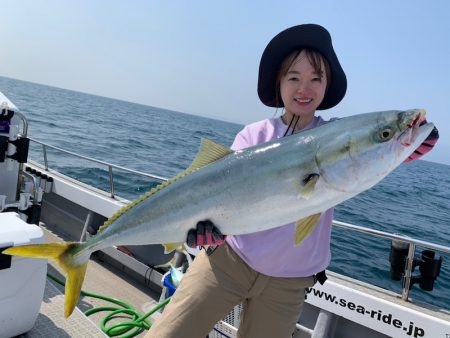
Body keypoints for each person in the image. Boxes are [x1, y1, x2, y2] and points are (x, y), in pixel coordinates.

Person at [146, 24, 438, 338]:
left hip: (289, 284)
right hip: (227, 264)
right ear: (279, 83)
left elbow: (410, 139)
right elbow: (222, 200)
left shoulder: (336, 133)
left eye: (316, 78)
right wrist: (207, 234)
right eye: (294, 77)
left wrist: (410, 142)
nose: (305, 88)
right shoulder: (254, 136)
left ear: (327, 85)